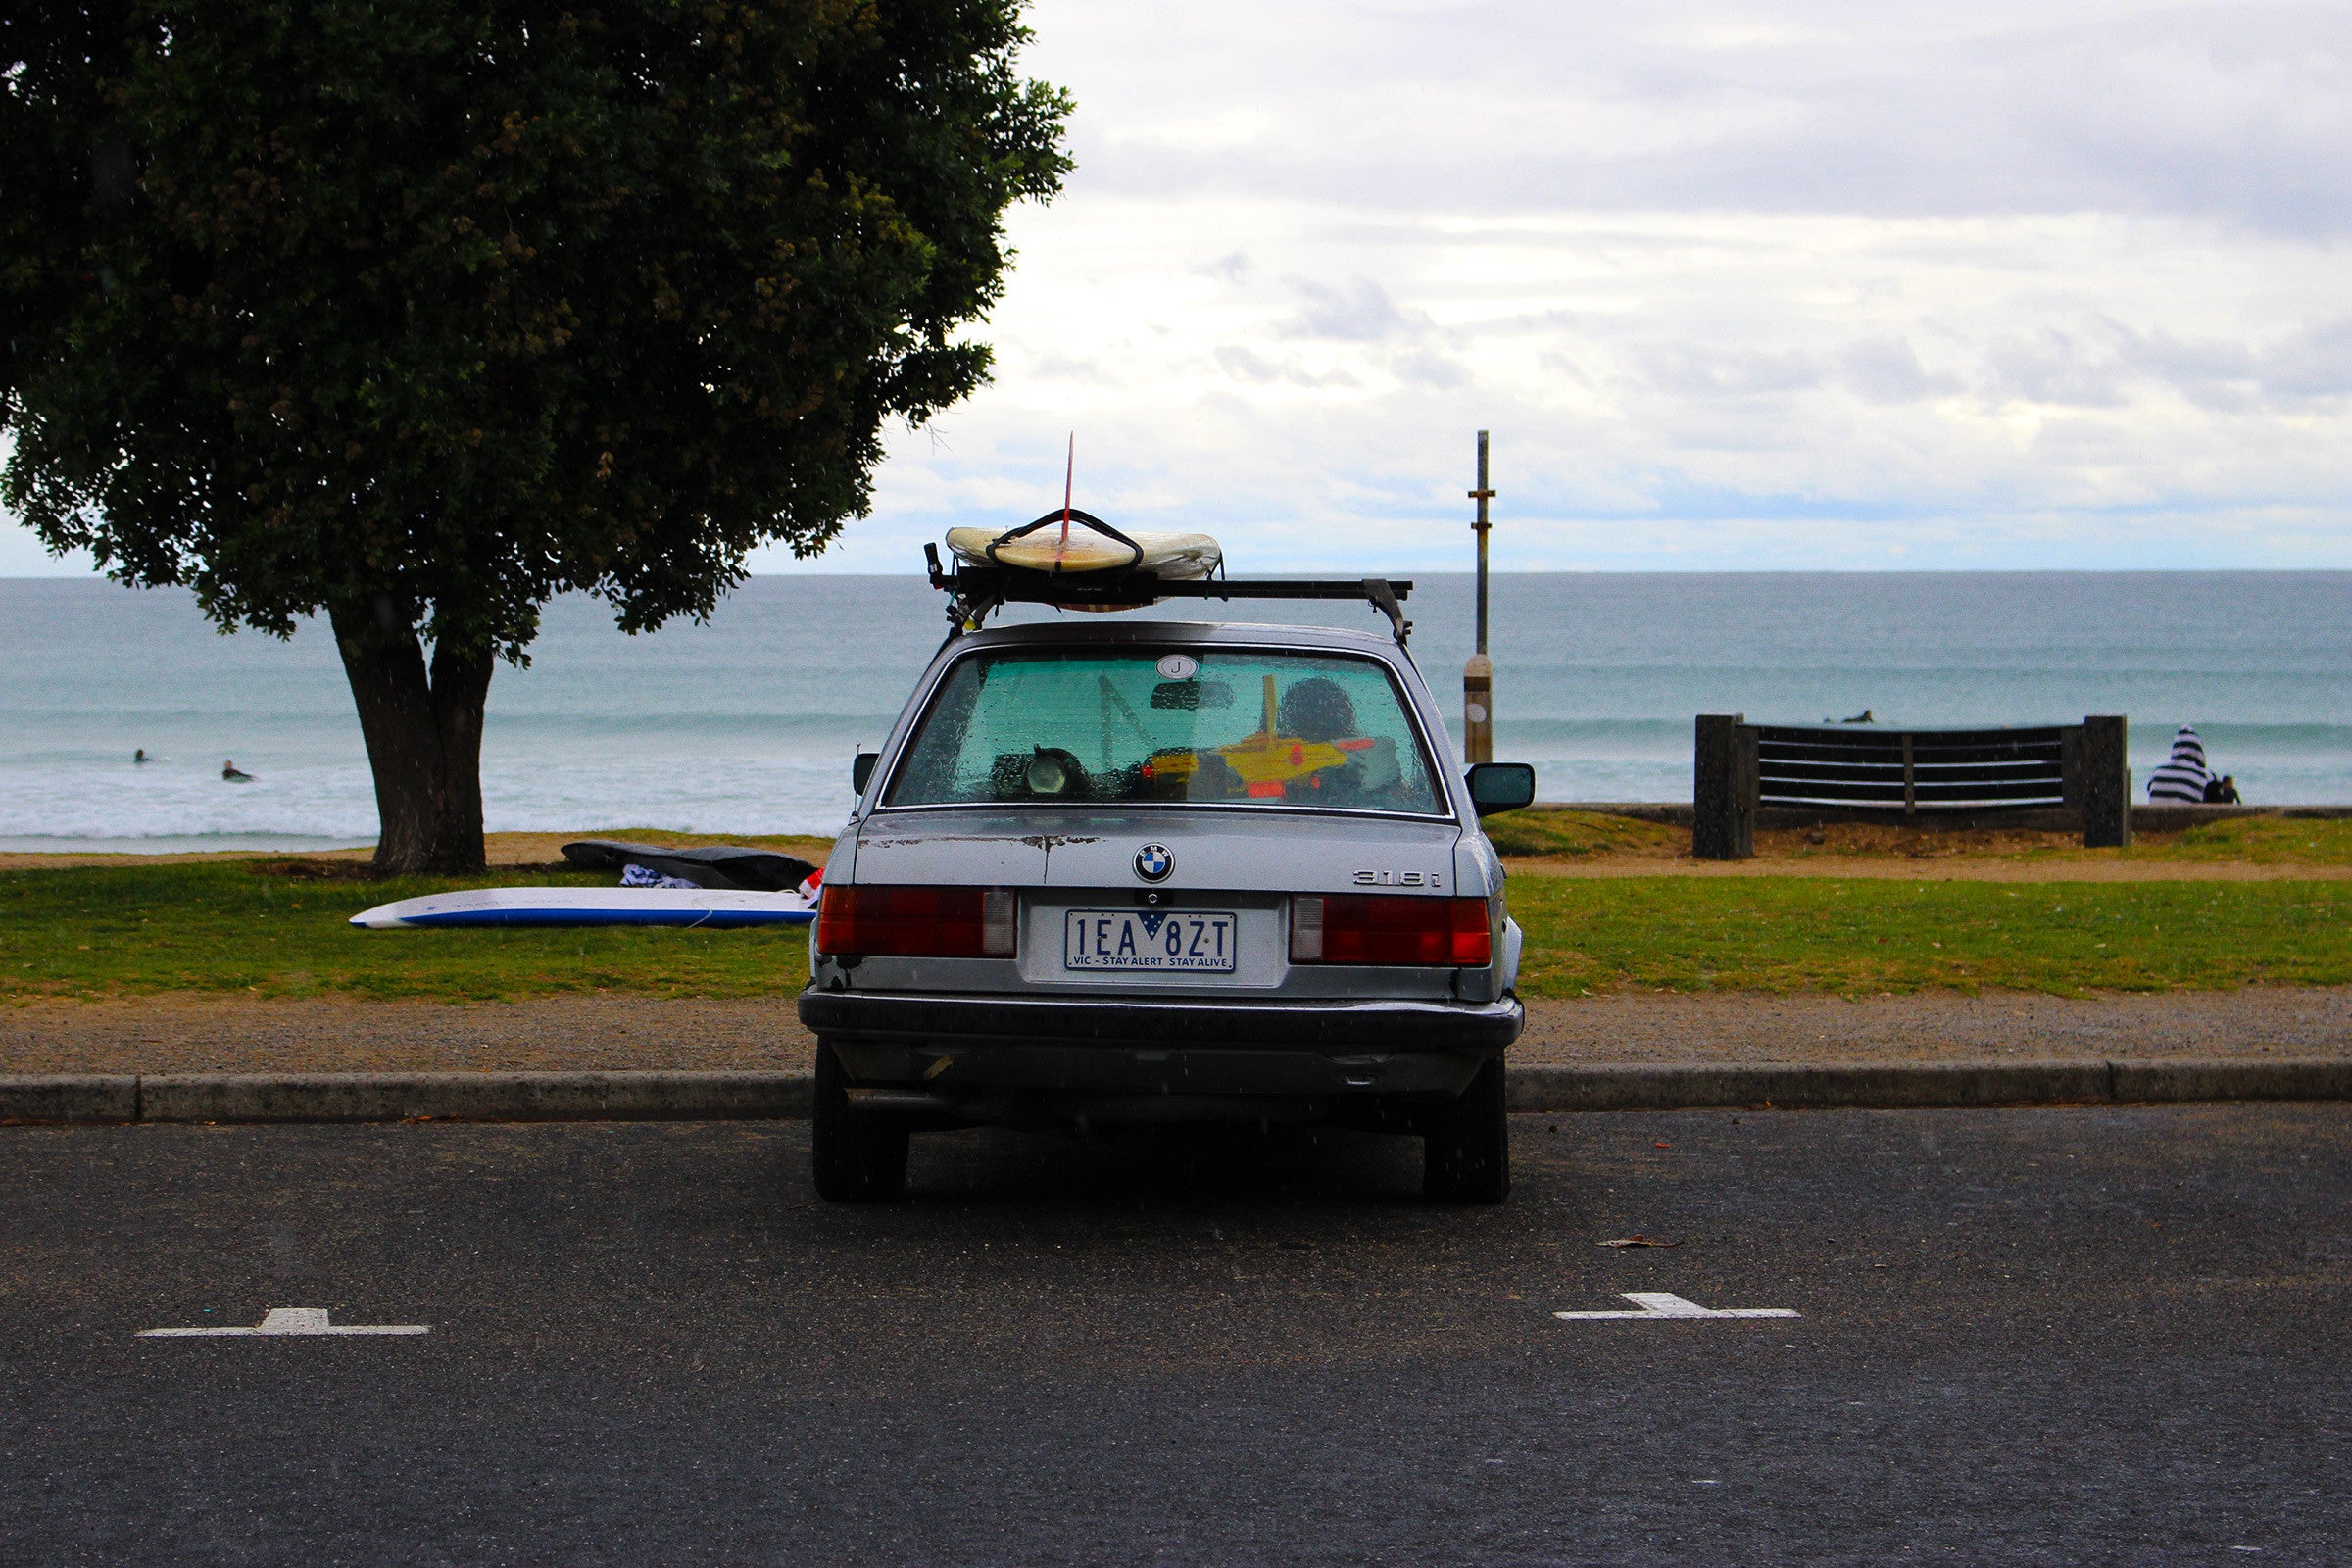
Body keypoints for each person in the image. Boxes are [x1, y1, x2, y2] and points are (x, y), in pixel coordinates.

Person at [2145, 726, 2212, 803]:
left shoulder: (2157, 773)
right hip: (2188, 814)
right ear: (2198, 751)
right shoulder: (2206, 776)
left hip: (2154, 814)